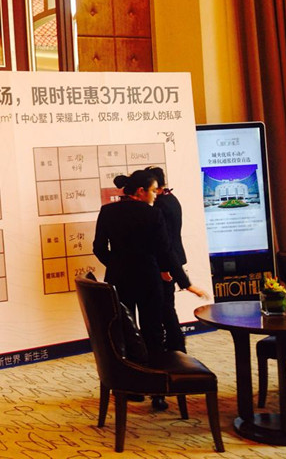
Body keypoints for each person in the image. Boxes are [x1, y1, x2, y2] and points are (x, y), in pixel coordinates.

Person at [93, 169, 173, 411]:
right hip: (149, 278)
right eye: (154, 190)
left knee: (125, 333)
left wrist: (116, 264)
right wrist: (175, 275)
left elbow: (98, 248)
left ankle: (131, 387)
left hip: (119, 279)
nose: (156, 194)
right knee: (153, 331)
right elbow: (164, 251)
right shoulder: (153, 214)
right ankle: (157, 392)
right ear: (141, 191)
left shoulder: (108, 211)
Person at [146, 166, 208, 354]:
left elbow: (163, 241)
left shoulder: (160, 206)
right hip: (173, 257)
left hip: (166, 261)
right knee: (167, 304)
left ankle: (176, 343)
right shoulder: (171, 199)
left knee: (165, 305)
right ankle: (175, 341)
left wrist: (164, 268)